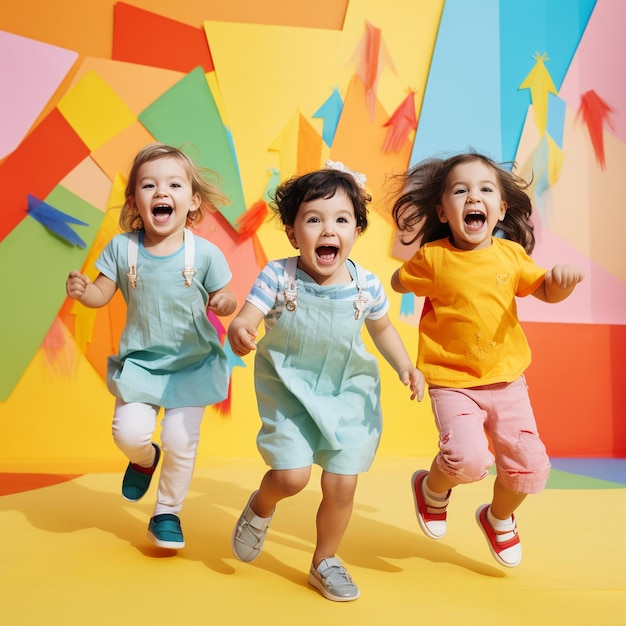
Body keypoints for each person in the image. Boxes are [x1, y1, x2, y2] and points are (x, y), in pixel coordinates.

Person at [227, 161, 425, 601]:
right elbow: (248, 315)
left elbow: (383, 330)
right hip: (290, 390)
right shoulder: (278, 277)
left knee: (342, 483)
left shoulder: (366, 284)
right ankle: (261, 506)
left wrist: (404, 366)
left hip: (347, 393)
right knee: (292, 477)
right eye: (313, 219)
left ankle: (325, 560)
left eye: (341, 219)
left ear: (356, 230)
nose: (327, 229)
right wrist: (240, 329)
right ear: (294, 234)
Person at [390, 152, 584, 567]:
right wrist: (407, 276)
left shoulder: (511, 256)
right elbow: (398, 280)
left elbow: (545, 290)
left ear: (501, 209)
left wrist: (561, 284)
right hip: (453, 382)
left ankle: (498, 518)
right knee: (469, 461)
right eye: (460, 191)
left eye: (484, 190)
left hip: (507, 381)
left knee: (529, 468)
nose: (472, 197)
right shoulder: (435, 258)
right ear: (443, 211)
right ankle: (431, 490)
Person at [66, 143, 236, 550]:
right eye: (149, 185)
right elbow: (100, 295)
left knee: (181, 440)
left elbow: (227, 296)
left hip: (191, 365)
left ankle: (167, 512)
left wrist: (225, 303)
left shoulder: (204, 254)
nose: (162, 192)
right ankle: (144, 459)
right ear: (135, 201)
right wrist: (83, 290)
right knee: (127, 433)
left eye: (174, 184)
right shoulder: (123, 249)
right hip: (141, 365)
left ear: (192, 199)